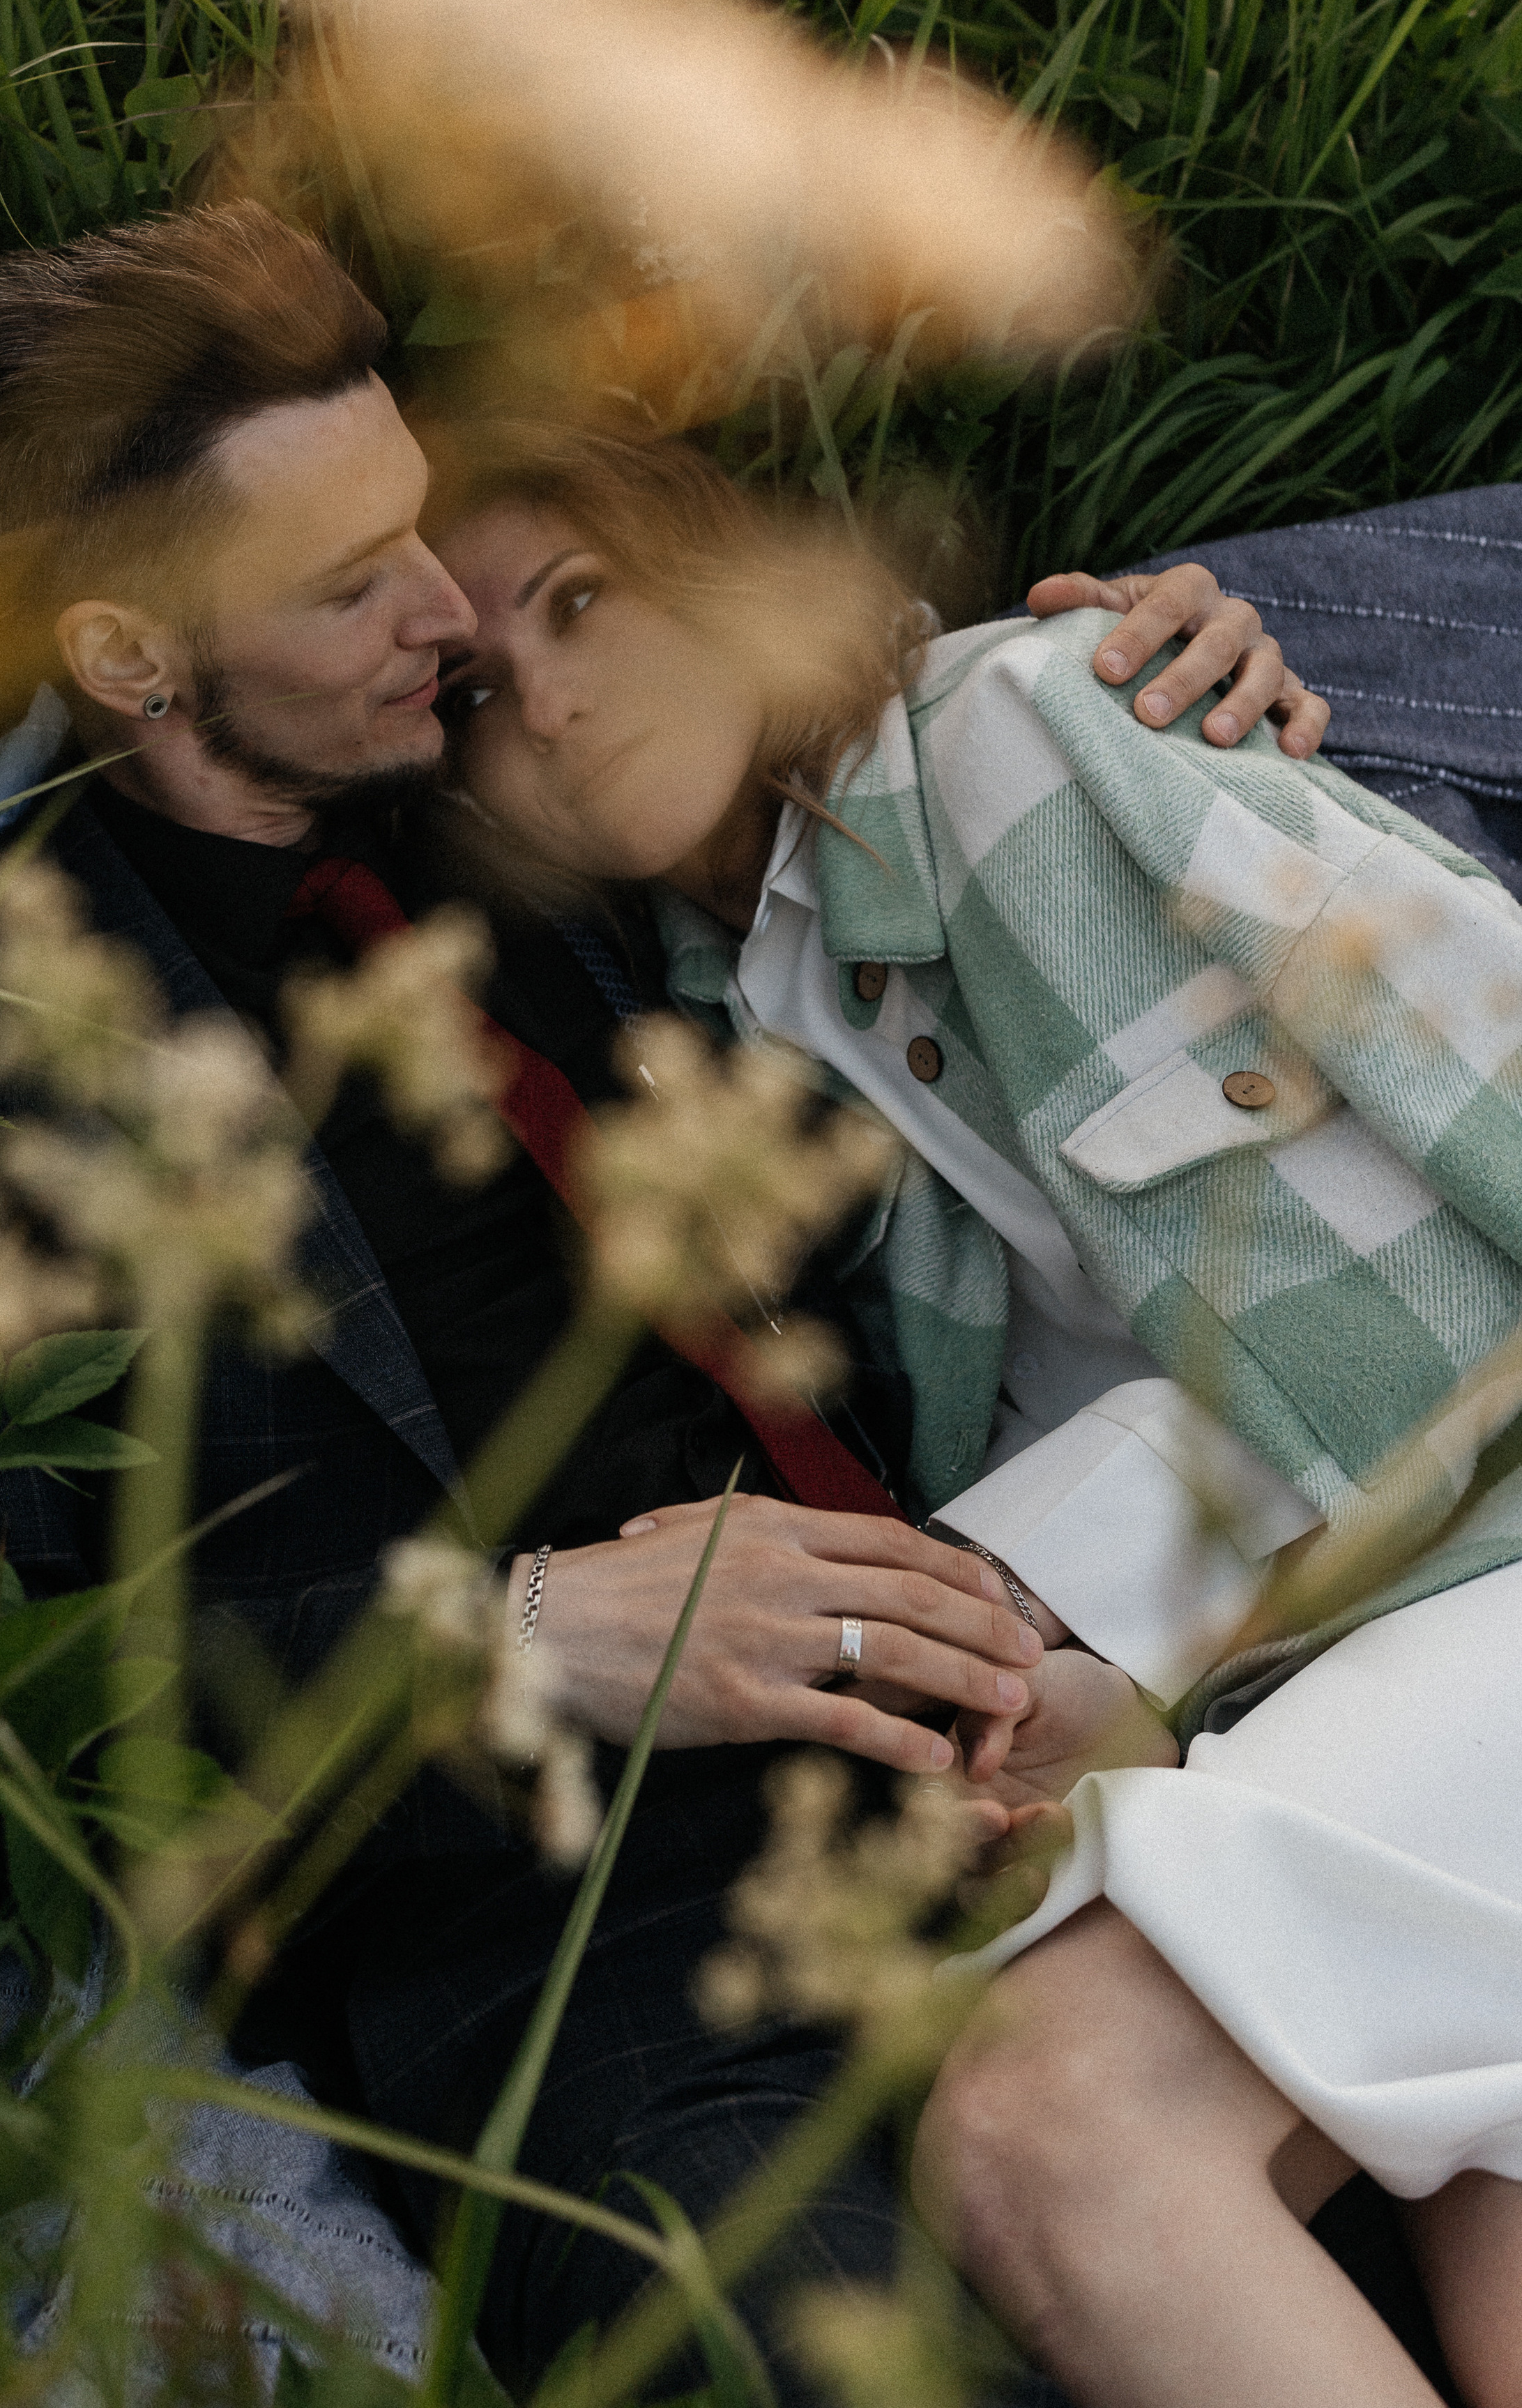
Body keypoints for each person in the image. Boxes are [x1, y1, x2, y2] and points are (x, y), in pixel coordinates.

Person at [0, 204, 1318, 2408]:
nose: (446, 614)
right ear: (130, 664)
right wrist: (538, 1637)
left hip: (1020, 1687)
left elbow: (865, 741)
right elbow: (18, 1704)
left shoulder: (525, 777)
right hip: (606, 1939)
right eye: (348, 586)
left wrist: (1142, 681)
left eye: (418, 523)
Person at [425, 416, 1522, 2408]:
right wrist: (1082, 1667)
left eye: (582, 601)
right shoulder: (721, 1036)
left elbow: (1489, 1042)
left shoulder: (1033, 720)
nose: (559, 706)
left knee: (1053, 2137)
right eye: (481, 692)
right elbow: (1194, 1389)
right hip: (1388, 1634)